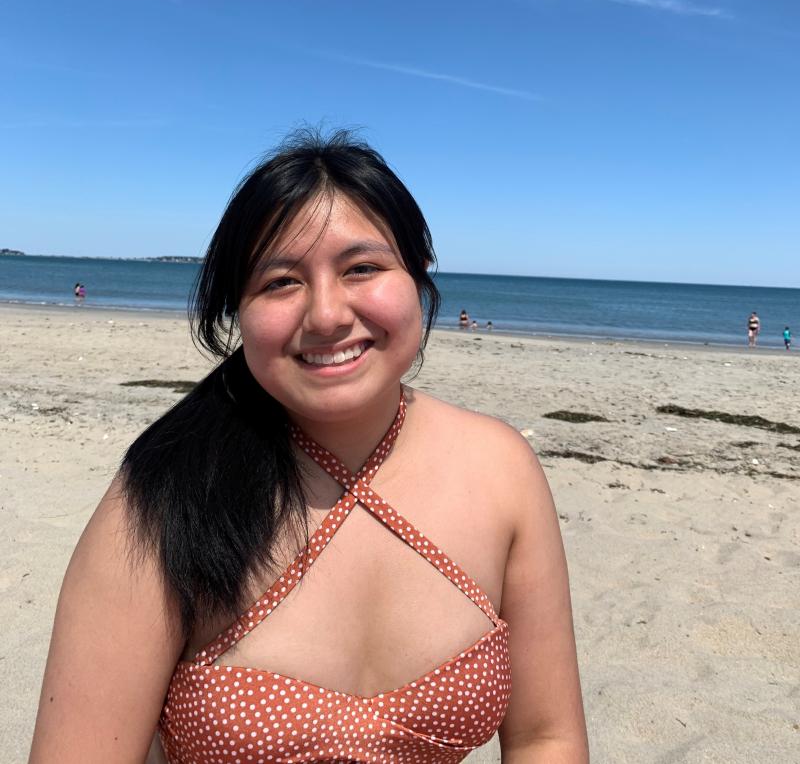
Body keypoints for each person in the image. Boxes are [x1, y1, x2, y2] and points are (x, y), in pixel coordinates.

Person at [31, 130, 588, 764]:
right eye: (280, 282)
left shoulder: (501, 471)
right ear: (237, 310)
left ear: (419, 278)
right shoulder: (166, 493)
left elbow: (548, 737)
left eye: (362, 268)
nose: (325, 315)